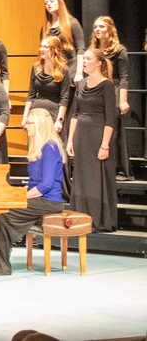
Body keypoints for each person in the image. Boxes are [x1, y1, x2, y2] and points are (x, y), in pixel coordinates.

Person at [0, 108, 66, 275]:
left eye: (28, 123)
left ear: (39, 125)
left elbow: (46, 185)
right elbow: (33, 183)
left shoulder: (50, 147)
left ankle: (1, 266)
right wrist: (16, 194)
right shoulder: (38, 147)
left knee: (1, 214)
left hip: (49, 201)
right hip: (39, 198)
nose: (24, 126)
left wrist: (21, 196)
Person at [66, 48, 118, 231]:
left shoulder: (107, 85)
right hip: (81, 136)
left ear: (99, 63)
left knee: (96, 178)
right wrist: (70, 140)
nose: (84, 62)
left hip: (98, 136)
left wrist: (105, 145)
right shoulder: (80, 84)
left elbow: (111, 119)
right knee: (81, 177)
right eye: (84, 59)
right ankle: (80, 218)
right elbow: (75, 114)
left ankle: (97, 219)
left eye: (88, 59)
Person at [90, 16, 132, 180]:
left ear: (110, 29)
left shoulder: (119, 50)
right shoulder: (93, 50)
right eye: (95, 27)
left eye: (101, 27)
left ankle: (118, 168)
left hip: (112, 89)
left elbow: (124, 78)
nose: (97, 30)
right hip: (96, 89)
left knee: (113, 129)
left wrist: (122, 100)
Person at [22, 36, 72, 129]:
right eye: (41, 46)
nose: (41, 49)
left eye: (45, 47)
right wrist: (25, 117)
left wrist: (59, 120)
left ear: (54, 50)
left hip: (53, 114)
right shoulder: (36, 68)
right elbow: (30, 95)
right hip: (36, 113)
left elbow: (64, 98)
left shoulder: (64, 70)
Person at [40, 0, 84, 80]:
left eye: (51, 1)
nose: (48, 4)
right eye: (46, 3)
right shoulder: (45, 27)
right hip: (53, 69)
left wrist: (79, 72)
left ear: (59, 3)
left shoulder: (72, 23)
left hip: (71, 68)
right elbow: (43, 51)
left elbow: (80, 49)